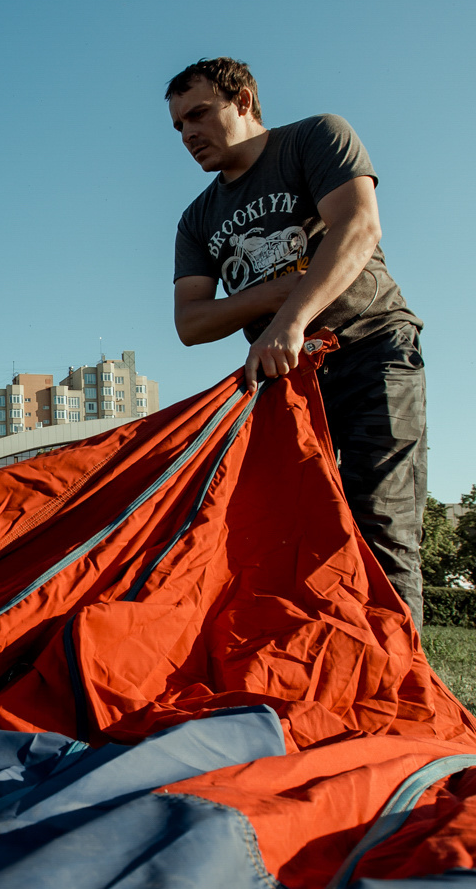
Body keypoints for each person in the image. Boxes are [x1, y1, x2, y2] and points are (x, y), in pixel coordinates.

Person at [165, 57, 428, 627]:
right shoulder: (197, 218)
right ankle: (325, 663)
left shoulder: (316, 136)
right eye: (179, 126)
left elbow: (358, 226)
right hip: (285, 378)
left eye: (199, 114)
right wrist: (270, 298)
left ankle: (402, 687)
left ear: (244, 99)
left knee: (381, 521)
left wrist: (292, 316)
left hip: (371, 346)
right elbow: (191, 323)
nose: (188, 134)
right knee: (288, 529)